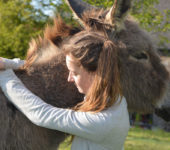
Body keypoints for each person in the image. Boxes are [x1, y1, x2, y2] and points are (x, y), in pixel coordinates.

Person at [0, 31, 130, 150]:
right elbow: (44, 70)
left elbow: (41, 114)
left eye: (75, 73)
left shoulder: (103, 122)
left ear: (94, 74)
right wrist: (7, 63)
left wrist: (4, 75)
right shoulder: (114, 99)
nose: (69, 79)